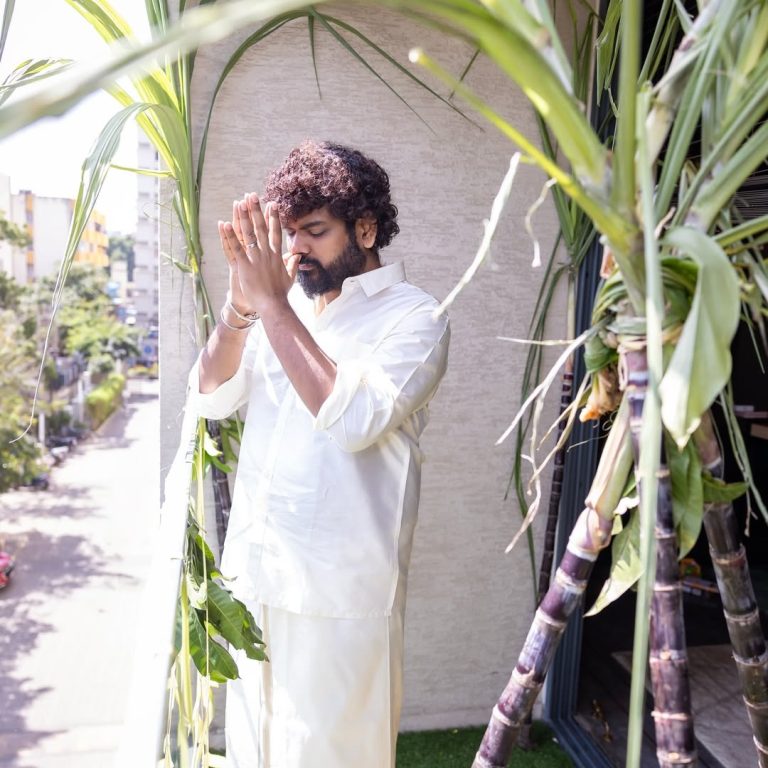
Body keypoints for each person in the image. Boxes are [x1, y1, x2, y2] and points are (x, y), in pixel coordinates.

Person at [189, 140, 450, 767]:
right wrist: (241, 309)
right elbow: (210, 397)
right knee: (253, 753)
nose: (296, 249)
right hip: (255, 580)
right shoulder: (284, 308)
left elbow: (355, 420)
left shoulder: (417, 318)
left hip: (340, 598)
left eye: (315, 231)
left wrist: (272, 306)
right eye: (290, 233)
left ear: (366, 229)